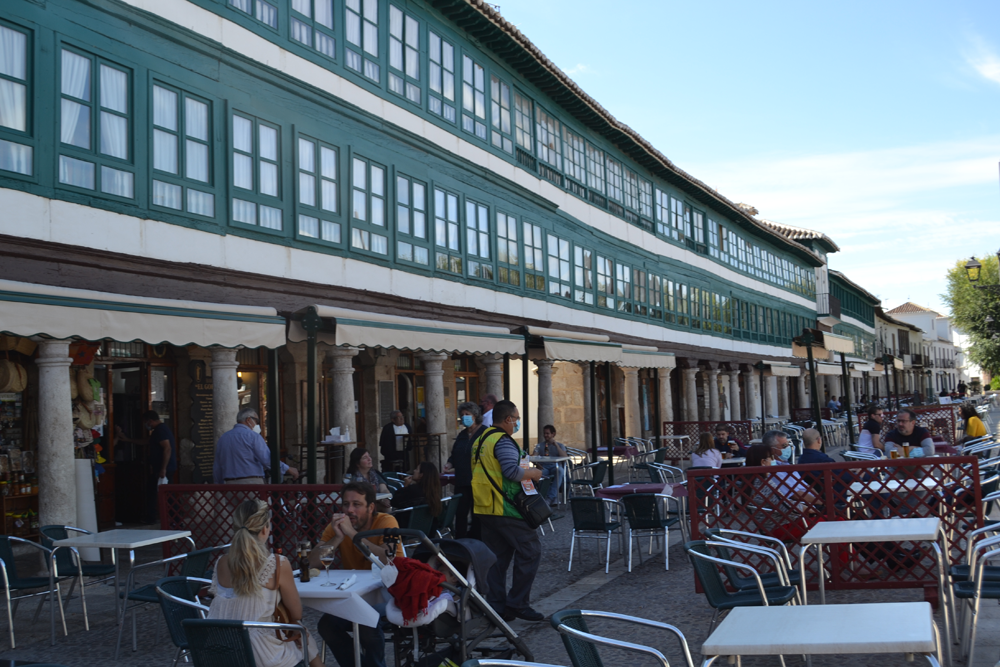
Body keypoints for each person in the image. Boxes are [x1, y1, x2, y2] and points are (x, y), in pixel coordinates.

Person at [207, 499, 322, 667]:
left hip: (218, 653)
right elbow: (296, 613)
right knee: (298, 628)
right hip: (259, 655)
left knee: (297, 631)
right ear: (264, 529)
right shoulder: (276, 563)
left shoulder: (221, 563)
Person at [311, 482, 403, 667]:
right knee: (326, 626)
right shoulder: (338, 527)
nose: (349, 510)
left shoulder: (386, 522)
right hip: (356, 596)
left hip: (389, 595)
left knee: (365, 622)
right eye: (346, 504)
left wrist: (353, 534)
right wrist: (338, 537)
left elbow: (389, 560)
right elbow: (311, 563)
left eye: (356, 504)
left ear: (371, 507)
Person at [471, 399, 544, 622]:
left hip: (485, 507)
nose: (517, 422)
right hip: (506, 508)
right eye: (516, 418)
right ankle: (517, 604)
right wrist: (534, 473)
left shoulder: (480, 440)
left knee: (498, 559)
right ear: (507, 419)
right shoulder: (502, 441)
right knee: (530, 551)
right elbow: (511, 472)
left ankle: (497, 606)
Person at [115, 410, 177, 523]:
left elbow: (167, 448)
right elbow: (146, 441)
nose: (145, 425)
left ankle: (172, 519)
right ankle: (157, 517)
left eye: (145, 422)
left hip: (163, 469)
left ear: (150, 421)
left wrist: (163, 468)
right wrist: (128, 440)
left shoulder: (161, 430)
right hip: (159, 468)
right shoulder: (158, 431)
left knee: (166, 495)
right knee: (156, 492)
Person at [212, 408, 298, 484]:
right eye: (256, 421)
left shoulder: (223, 438)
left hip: (229, 485)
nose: (257, 424)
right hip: (251, 484)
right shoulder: (253, 436)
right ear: (248, 420)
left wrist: (219, 485)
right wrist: (288, 469)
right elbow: (267, 459)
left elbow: (217, 466)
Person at [445, 402, 485, 539]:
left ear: (475, 415)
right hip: (462, 479)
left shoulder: (484, 432)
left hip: (478, 480)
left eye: (467, 414)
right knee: (460, 512)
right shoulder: (462, 435)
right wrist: (449, 463)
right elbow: (455, 453)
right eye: (462, 415)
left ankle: (476, 539)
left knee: (477, 513)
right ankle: (460, 540)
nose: (464, 417)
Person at [532, 424, 567, 505]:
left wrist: (556, 445)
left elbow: (565, 457)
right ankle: (550, 498)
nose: (545, 435)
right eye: (544, 433)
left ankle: (550, 497)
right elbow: (534, 456)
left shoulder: (560, 445)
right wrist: (536, 463)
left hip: (555, 466)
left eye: (547, 433)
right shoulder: (540, 445)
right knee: (537, 474)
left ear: (553, 434)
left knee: (560, 471)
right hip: (543, 467)